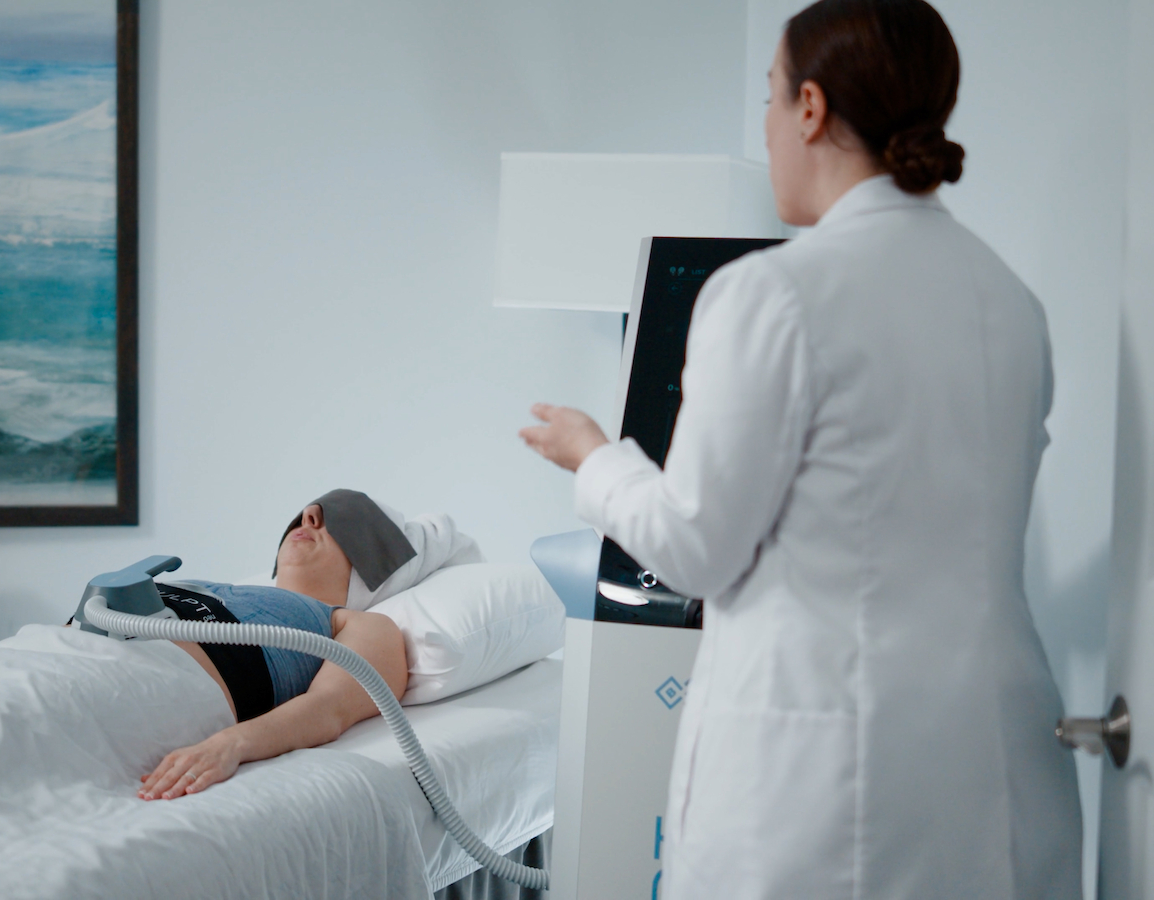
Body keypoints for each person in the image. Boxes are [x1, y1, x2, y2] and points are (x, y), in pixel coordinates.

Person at [519, 0, 1082, 896]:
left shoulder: (773, 295)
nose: (770, 126)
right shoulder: (1009, 303)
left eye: (772, 100)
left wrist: (594, 456)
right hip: (997, 778)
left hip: (828, 790)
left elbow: (696, 547)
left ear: (812, 109)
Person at [129, 491, 416, 802]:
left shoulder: (363, 625)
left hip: (135, 690)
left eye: (344, 520)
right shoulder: (213, 585)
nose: (309, 515)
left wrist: (231, 744)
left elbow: (330, 708)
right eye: (310, 511)